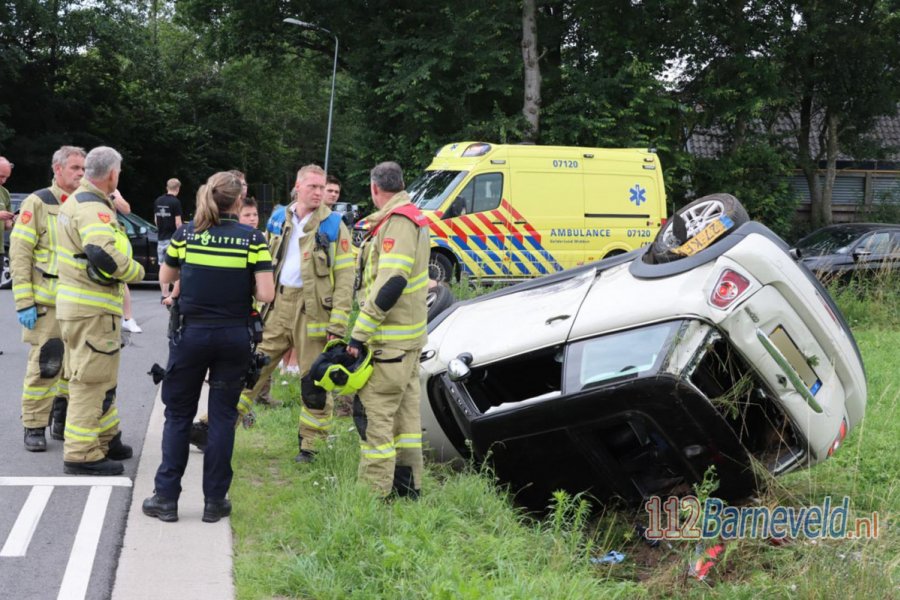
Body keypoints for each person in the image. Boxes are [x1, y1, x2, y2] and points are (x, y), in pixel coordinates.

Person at [142, 171, 274, 523]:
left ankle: (166, 499)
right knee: (221, 418)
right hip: (234, 338)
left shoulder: (187, 234)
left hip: (191, 336)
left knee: (178, 416)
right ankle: (215, 502)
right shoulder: (253, 238)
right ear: (237, 201)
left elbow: (166, 278)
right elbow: (266, 294)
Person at [237, 164, 355, 463]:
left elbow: (344, 277)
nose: (318, 193)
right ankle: (215, 427)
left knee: (313, 381)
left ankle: (311, 447)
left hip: (314, 311)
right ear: (298, 187)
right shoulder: (279, 218)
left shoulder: (333, 225)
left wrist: (339, 321)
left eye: (322, 187)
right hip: (277, 304)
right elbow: (261, 260)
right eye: (313, 187)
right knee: (252, 368)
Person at [56, 146, 145, 475]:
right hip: (90, 309)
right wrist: (136, 272)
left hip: (81, 307)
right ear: (112, 174)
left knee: (102, 378)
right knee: (90, 381)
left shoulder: (80, 201)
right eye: (118, 173)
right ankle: (81, 453)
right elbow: (101, 252)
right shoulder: (94, 208)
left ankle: (108, 437)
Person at [347, 161, 429, 499]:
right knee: (406, 420)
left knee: (375, 415)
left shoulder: (397, 223)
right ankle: (408, 487)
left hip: (388, 343)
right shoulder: (410, 218)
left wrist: (358, 335)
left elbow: (391, 284)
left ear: (374, 189)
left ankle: (373, 494)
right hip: (407, 342)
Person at [9, 146, 85, 451]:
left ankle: (61, 420)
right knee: (46, 365)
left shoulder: (85, 203)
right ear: (58, 169)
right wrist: (24, 301)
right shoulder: (38, 202)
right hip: (47, 303)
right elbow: (20, 254)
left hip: (79, 303)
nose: (81, 173)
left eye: (83, 168)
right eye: (75, 168)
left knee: (73, 368)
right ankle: (34, 425)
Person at [112, 190, 142, 334]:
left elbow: (126, 209)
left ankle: (128, 319)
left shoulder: (110, 188)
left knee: (121, 278)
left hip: (112, 234)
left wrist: (112, 195)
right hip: (89, 234)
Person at [154, 178, 183, 301]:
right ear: (178, 189)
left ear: (167, 187)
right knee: (176, 265)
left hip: (161, 238)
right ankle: (175, 294)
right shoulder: (176, 202)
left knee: (162, 265)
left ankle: (164, 294)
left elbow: (156, 220)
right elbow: (178, 222)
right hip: (172, 239)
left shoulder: (158, 200)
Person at [0, 157, 15, 258]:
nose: (3, 181)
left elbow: (6, 225)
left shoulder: (4, 193)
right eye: (1, 176)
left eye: (6, 177)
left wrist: (13, 222)